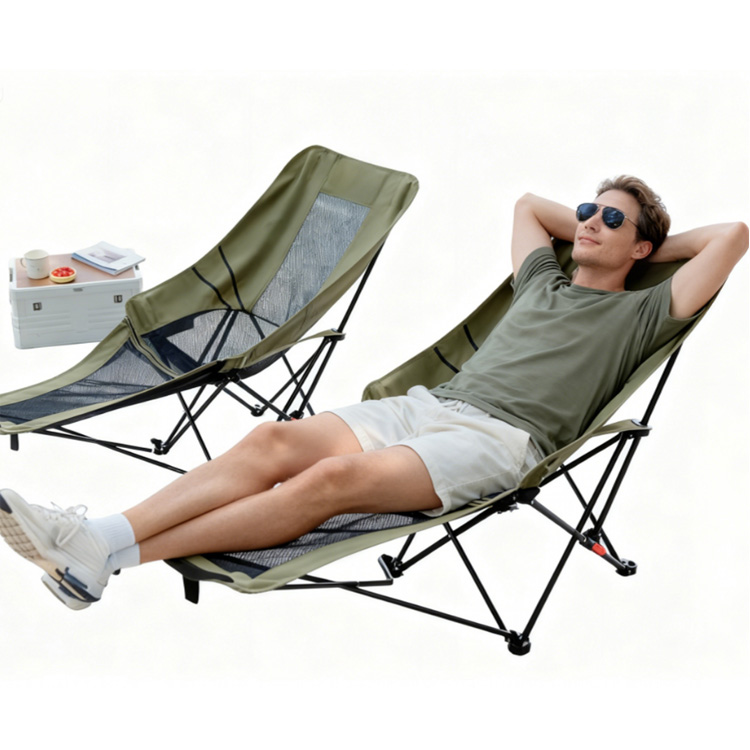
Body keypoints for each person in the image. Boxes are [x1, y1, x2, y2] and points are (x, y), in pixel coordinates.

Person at [1, 176, 747, 610]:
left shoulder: (645, 310)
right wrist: (609, 227)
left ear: (643, 248)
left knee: (330, 480)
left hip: (496, 441)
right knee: (273, 440)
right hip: (430, 404)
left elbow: (734, 235)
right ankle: (98, 545)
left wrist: (651, 247)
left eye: (611, 219)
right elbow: (528, 205)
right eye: (586, 210)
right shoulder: (541, 279)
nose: (588, 222)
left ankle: (104, 548)